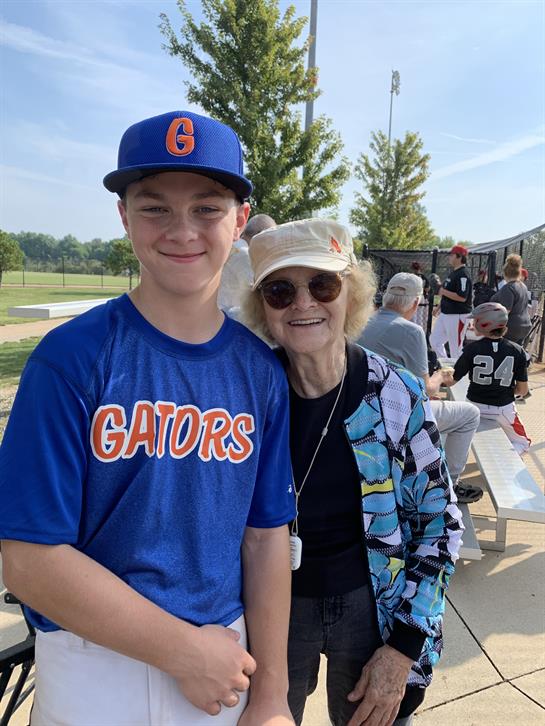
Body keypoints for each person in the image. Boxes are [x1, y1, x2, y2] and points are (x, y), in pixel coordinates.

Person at [0, 110, 296, 726]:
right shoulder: (72, 357)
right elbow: (28, 557)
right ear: (123, 216)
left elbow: (266, 538)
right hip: (93, 663)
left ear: (240, 221)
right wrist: (183, 651)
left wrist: (271, 695)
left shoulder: (259, 372)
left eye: (208, 207)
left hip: (223, 664)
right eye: (155, 207)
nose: (182, 230)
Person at [242, 218, 464, 726]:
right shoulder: (246, 397)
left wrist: (405, 646)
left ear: (352, 294)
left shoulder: (396, 393)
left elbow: (440, 521)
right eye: (280, 290)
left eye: (323, 284)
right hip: (272, 610)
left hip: (373, 608)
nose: (303, 304)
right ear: (263, 307)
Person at [358, 273, 482, 504]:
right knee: (470, 415)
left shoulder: (361, 322)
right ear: (415, 303)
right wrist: (440, 375)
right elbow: (423, 390)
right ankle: (449, 483)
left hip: (362, 417)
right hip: (395, 420)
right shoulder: (411, 330)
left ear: (385, 298)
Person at [447, 302, 531, 455]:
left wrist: (441, 374)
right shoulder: (517, 350)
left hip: (474, 406)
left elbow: (452, 380)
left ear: (483, 324)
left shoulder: (471, 349)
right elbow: (523, 390)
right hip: (502, 409)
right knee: (523, 442)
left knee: (463, 435)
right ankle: (508, 459)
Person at [218, 213, 276, 315]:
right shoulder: (246, 255)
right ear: (262, 235)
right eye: (271, 238)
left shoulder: (231, 247)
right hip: (230, 316)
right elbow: (259, 293)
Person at [430, 244, 473, 359]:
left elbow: (462, 297)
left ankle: (458, 375)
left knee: (455, 349)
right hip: (446, 314)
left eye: (451, 255)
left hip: (458, 315)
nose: (449, 257)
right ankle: (446, 367)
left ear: (459, 257)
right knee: (434, 341)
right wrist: (439, 307)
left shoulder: (463, 274)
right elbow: (446, 293)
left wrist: (441, 290)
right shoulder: (454, 272)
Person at [491, 255, 532, 345]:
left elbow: (505, 312)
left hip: (511, 329)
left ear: (505, 273)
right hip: (525, 326)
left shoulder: (508, 288)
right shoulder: (523, 286)